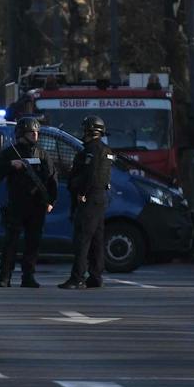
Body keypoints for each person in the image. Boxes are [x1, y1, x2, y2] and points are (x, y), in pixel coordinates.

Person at [0, 116, 55, 288]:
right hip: (16, 204)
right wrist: (11, 165)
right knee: (11, 242)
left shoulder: (42, 153)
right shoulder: (10, 152)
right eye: (31, 132)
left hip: (37, 205)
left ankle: (28, 276)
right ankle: (5, 277)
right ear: (21, 133)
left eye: (37, 132)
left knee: (33, 243)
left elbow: (51, 178)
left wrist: (51, 200)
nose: (35, 136)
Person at [60, 115, 113, 290]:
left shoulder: (91, 150)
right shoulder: (106, 150)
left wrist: (81, 192)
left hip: (89, 198)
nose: (83, 133)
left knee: (82, 240)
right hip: (100, 198)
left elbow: (90, 174)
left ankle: (77, 278)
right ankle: (96, 276)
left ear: (90, 130)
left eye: (85, 129)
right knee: (97, 239)